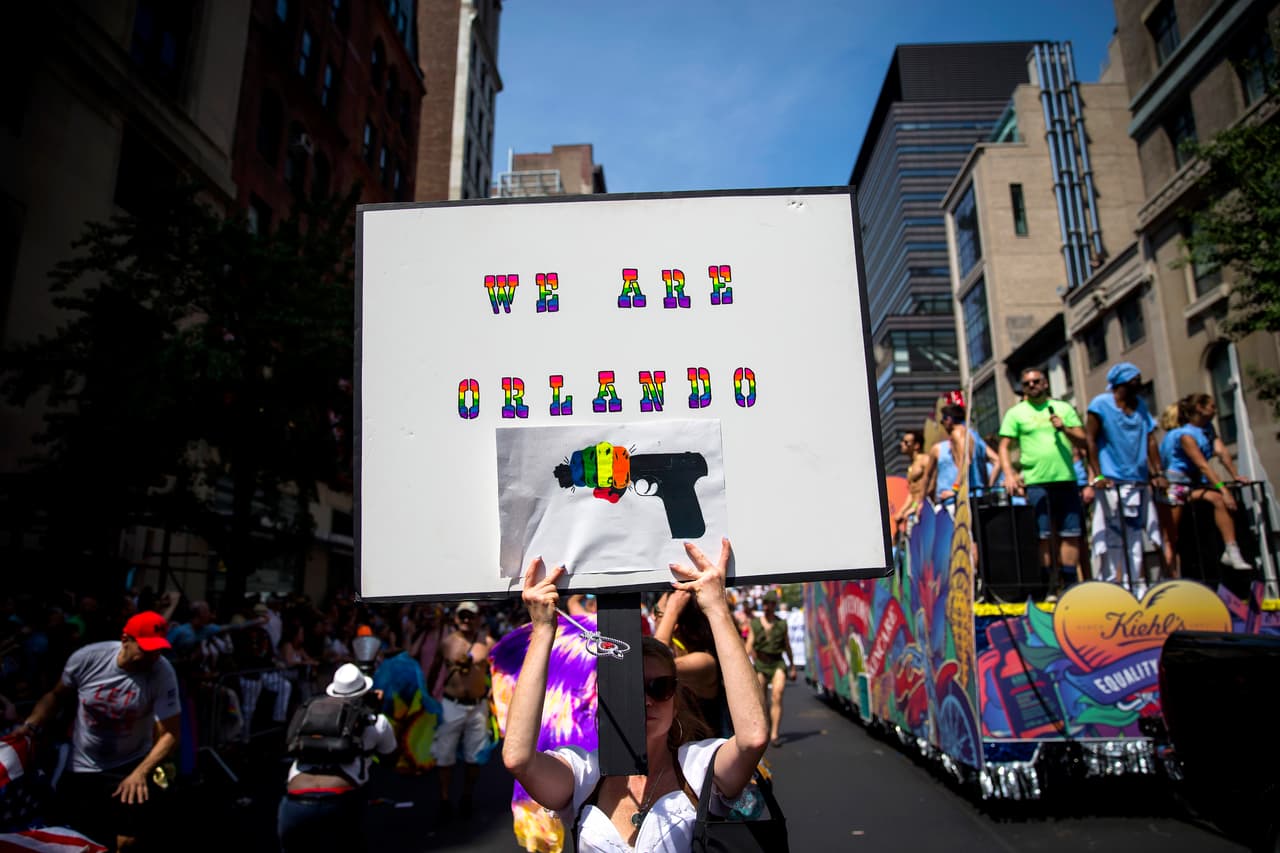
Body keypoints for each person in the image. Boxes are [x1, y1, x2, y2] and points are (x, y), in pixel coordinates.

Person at [503, 540, 768, 852]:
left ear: (676, 701)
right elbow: (519, 759)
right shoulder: (585, 775)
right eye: (630, 689)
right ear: (603, 698)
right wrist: (543, 630)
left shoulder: (698, 768)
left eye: (660, 688)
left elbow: (752, 738)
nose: (645, 701)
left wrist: (717, 608)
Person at [19, 611, 181, 851]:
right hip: (82, 764)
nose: (153, 656)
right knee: (80, 835)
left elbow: (170, 733)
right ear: (125, 640)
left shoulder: (162, 672)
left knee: (128, 839)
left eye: (158, 649)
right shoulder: (89, 658)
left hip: (129, 763)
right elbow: (56, 695)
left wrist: (140, 772)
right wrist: (31, 724)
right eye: (146, 649)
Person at [278, 663, 396, 852]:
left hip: (296, 800)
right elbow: (390, 759)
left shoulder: (311, 712)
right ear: (366, 691)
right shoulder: (376, 721)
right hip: (340, 801)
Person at [998, 367, 1093, 596]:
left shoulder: (1063, 408)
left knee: (1071, 533)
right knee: (1043, 536)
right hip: (1036, 482)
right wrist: (1009, 474)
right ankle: (1049, 584)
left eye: (1036, 381)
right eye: (1027, 383)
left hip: (1066, 480)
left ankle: (1070, 583)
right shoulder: (1016, 413)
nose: (1031, 385)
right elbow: (1004, 446)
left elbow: (1084, 441)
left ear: (1045, 383)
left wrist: (1064, 428)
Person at [1086, 362, 1166, 595]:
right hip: (1111, 480)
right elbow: (1090, 439)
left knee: (1135, 534)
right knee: (1112, 534)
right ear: (1121, 382)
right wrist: (1098, 474)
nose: (1139, 383)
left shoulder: (1141, 406)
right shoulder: (1100, 404)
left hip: (1137, 480)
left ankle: (1137, 585)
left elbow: (1150, 439)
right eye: (1134, 379)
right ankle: (1111, 585)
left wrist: (1157, 472)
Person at [1161, 393, 1252, 571]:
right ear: (1199, 408)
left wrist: (1235, 475)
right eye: (1211, 406)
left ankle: (1231, 550)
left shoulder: (1208, 429)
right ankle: (1169, 574)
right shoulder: (1185, 435)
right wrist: (1224, 490)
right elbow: (1202, 465)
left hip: (1194, 484)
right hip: (1176, 485)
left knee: (1217, 499)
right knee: (1171, 535)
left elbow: (1222, 452)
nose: (1215, 410)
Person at [427, 600, 496, 820]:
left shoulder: (487, 643)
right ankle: (444, 798)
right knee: (444, 755)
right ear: (456, 618)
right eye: (463, 616)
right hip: (451, 705)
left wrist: (495, 691)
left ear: (478, 619)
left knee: (474, 756)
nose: (466, 620)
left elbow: (499, 670)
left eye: (471, 616)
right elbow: (434, 669)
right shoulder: (447, 643)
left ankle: (467, 796)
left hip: (478, 706)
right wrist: (427, 698)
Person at [925, 404, 1000, 512]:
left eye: (942, 421)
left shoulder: (957, 434)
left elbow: (965, 462)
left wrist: (954, 490)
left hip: (966, 498)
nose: (943, 425)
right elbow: (997, 461)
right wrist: (989, 486)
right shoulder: (974, 435)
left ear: (949, 420)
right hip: (979, 495)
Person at [745, 591, 796, 748]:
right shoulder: (755, 624)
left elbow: (787, 646)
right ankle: (765, 728)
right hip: (761, 663)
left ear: (775, 605)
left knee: (777, 695)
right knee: (761, 700)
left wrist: (792, 666)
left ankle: (774, 734)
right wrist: (744, 663)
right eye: (766, 603)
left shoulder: (781, 624)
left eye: (771, 603)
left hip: (777, 662)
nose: (768, 606)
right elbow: (749, 644)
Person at [1155, 403, 1182, 575]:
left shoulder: (1168, 438)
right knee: (1170, 537)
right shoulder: (1176, 437)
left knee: (1170, 537)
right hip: (1173, 487)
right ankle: (1172, 574)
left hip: (1172, 486)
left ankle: (1172, 573)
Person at [894, 430, 930, 532]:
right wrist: (901, 512)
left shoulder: (925, 460)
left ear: (916, 445)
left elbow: (928, 486)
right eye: (902, 441)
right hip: (914, 510)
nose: (902, 444)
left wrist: (915, 506)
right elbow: (912, 493)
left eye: (906, 442)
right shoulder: (912, 466)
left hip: (924, 509)